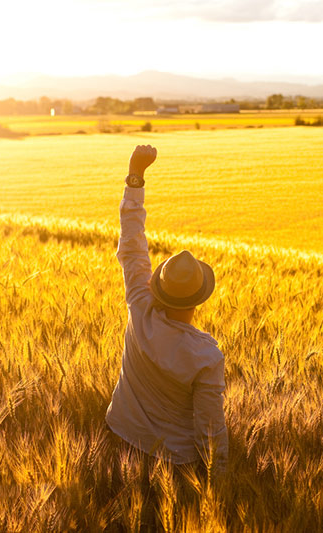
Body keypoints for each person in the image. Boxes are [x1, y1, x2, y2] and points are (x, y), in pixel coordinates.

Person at [106, 144, 228, 472]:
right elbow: (210, 430)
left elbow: (132, 246)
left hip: (120, 440)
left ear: (159, 285)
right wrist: (220, 485)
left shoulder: (139, 305)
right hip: (174, 464)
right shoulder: (206, 356)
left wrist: (136, 176)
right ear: (199, 296)